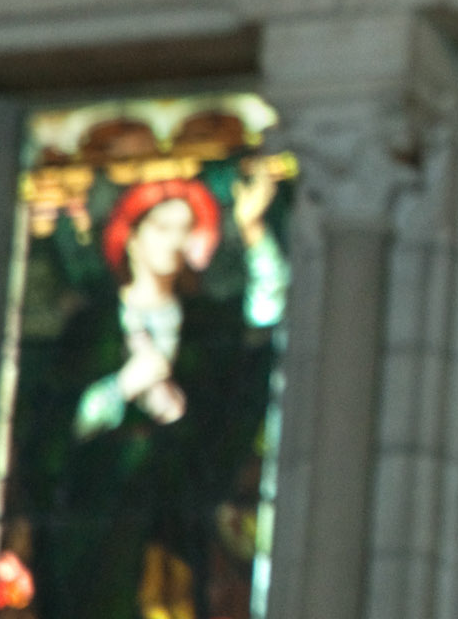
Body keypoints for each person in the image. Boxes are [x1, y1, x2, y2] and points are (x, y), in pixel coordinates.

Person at [22, 168, 287, 619]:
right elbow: (48, 426)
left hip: (173, 519)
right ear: (131, 235)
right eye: (162, 227)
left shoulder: (208, 324)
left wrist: (253, 230)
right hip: (92, 520)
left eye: (185, 229)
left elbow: (265, 317)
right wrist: (123, 386)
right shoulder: (90, 327)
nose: (174, 241)